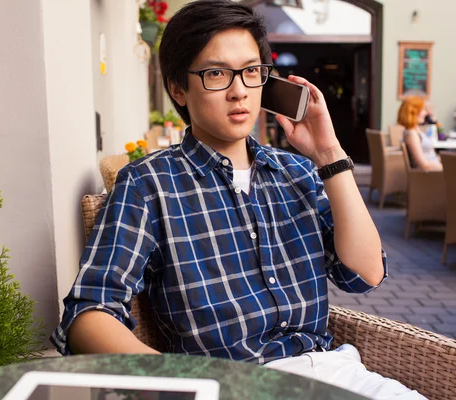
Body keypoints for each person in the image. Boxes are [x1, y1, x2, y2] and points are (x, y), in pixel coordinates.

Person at [52, 1, 424, 398]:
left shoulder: (296, 173)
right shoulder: (149, 185)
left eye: (251, 72)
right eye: (216, 73)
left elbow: (364, 273)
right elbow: (88, 315)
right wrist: (171, 383)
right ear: (178, 87)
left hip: (334, 371)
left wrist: (329, 155)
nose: (239, 91)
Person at [398, 96, 442, 171]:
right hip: (432, 175)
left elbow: (429, 156)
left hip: (436, 171)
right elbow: (424, 165)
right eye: (423, 110)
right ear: (414, 112)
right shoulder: (412, 134)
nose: (426, 113)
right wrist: (447, 168)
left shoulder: (415, 131)